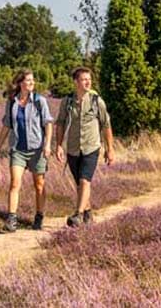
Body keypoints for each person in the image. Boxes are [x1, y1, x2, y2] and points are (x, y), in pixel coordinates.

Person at [0, 69, 53, 232]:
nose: (32, 83)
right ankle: (12, 220)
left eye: (33, 80)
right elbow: (7, 125)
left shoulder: (40, 101)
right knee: (14, 183)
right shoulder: (12, 102)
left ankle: (39, 216)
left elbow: (48, 123)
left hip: (37, 149)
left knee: (39, 184)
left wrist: (48, 145)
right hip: (17, 149)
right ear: (20, 83)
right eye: (28, 80)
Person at [54, 66, 114, 227]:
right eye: (84, 79)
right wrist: (58, 145)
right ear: (76, 82)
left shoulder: (96, 101)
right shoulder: (67, 102)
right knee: (80, 185)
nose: (88, 82)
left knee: (85, 180)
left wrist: (110, 149)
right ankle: (88, 214)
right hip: (73, 148)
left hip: (91, 147)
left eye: (89, 79)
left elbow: (106, 125)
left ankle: (78, 214)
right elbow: (60, 123)